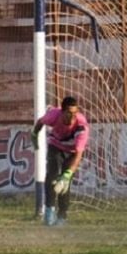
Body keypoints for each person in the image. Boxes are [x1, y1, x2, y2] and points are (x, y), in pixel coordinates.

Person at [31, 96, 90, 226]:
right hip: (55, 146)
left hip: (72, 152)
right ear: (62, 112)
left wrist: (67, 175)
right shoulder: (53, 115)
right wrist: (34, 135)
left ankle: (62, 216)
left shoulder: (81, 126)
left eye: (75, 113)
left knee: (64, 183)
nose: (72, 116)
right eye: (69, 113)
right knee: (52, 177)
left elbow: (79, 154)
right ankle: (49, 211)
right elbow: (40, 122)